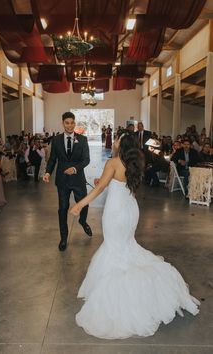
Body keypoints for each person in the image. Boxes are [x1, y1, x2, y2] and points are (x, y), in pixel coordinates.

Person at [70, 132, 199, 339]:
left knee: (114, 247)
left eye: (118, 139)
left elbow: (101, 187)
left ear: (121, 144)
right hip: (130, 209)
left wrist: (79, 204)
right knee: (125, 246)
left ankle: (119, 295)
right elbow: (115, 183)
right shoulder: (136, 160)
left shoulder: (113, 162)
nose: (116, 141)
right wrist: (103, 180)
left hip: (115, 211)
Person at [43, 111, 92, 252]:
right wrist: (47, 172)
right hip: (62, 180)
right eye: (67, 123)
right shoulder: (56, 140)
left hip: (78, 179)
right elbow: (53, 159)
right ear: (63, 123)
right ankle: (63, 238)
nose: (70, 126)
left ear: (74, 123)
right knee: (62, 209)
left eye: (72, 123)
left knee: (84, 204)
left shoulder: (82, 139)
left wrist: (75, 169)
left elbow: (86, 159)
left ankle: (82, 221)